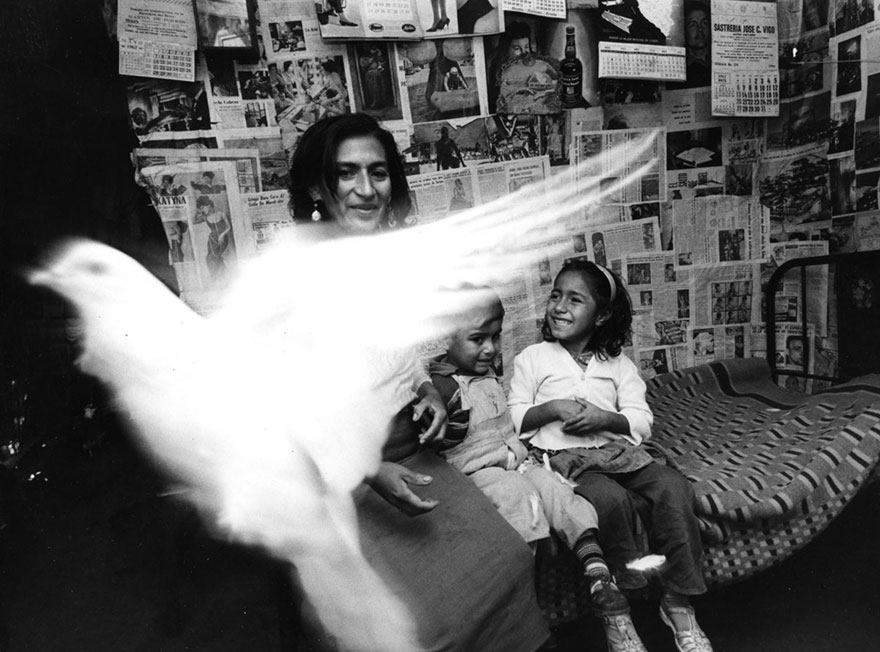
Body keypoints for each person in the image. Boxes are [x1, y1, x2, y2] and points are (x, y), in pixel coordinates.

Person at [287, 114, 549, 651]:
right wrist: (370, 470)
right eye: (346, 173)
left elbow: (398, 360)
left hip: (412, 457)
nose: (366, 189)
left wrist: (426, 391)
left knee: (506, 560)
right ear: (316, 187)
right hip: (337, 477)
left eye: (378, 172)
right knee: (417, 623)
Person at [509, 259, 714, 652]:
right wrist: (552, 409)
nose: (559, 307)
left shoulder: (618, 365)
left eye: (575, 300)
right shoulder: (533, 358)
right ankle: (620, 609)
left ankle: (678, 602)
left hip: (619, 453)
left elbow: (641, 419)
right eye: (555, 296)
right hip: (568, 458)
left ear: (601, 315)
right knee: (609, 499)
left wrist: (607, 419)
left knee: (673, 487)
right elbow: (516, 417)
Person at [429, 288, 642, 652]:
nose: (490, 349)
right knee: (519, 497)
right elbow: (432, 439)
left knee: (554, 486)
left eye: (495, 337)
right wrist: (443, 419)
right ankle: (524, 596)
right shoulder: (441, 385)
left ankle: (596, 571)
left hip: (516, 460)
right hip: (479, 472)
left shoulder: (486, 372)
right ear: (445, 337)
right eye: (478, 339)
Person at [192, 195, 233, 280]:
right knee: (210, 258)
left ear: (208, 205)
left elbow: (229, 227)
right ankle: (219, 276)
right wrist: (197, 212)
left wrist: (222, 235)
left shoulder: (221, 214)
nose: (202, 210)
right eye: (201, 209)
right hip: (212, 240)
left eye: (203, 208)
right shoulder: (205, 217)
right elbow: (193, 221)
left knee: (214, 257)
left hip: (222, 239)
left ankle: (219, 276)